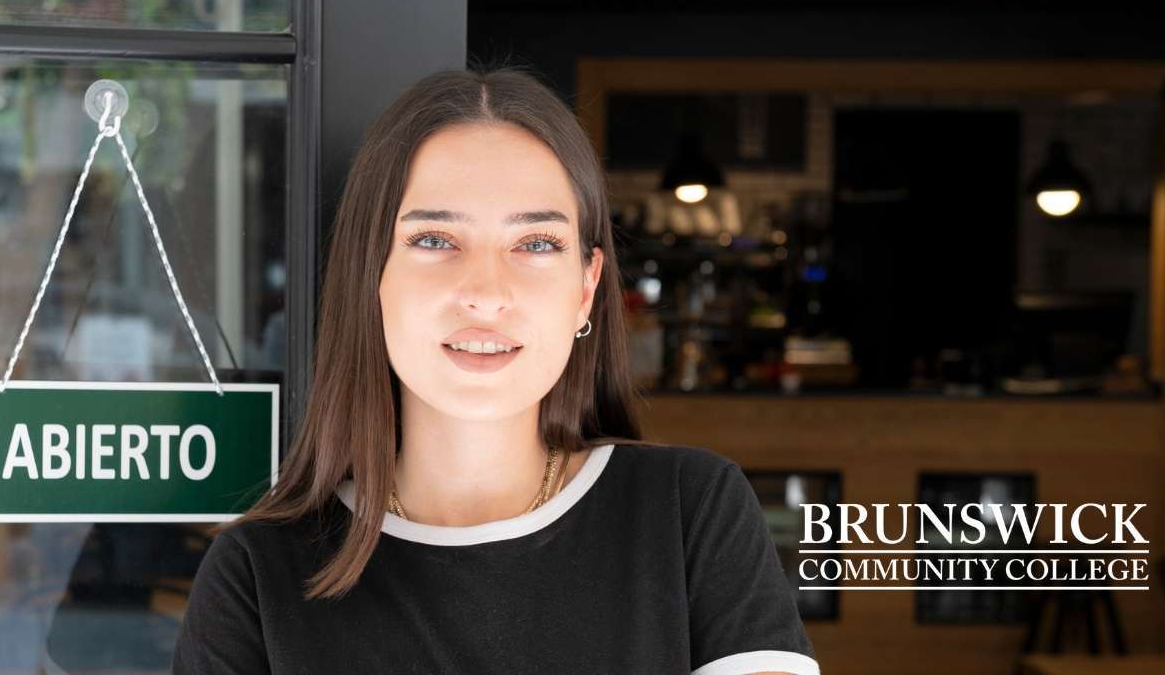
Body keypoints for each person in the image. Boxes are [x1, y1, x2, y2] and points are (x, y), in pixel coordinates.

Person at [172, 69, 819, 674]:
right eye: (434, 241)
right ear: (371, 274)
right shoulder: (257, 576)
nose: (486, 292)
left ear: (587, 289)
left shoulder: (690, 515)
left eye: (536, 244)